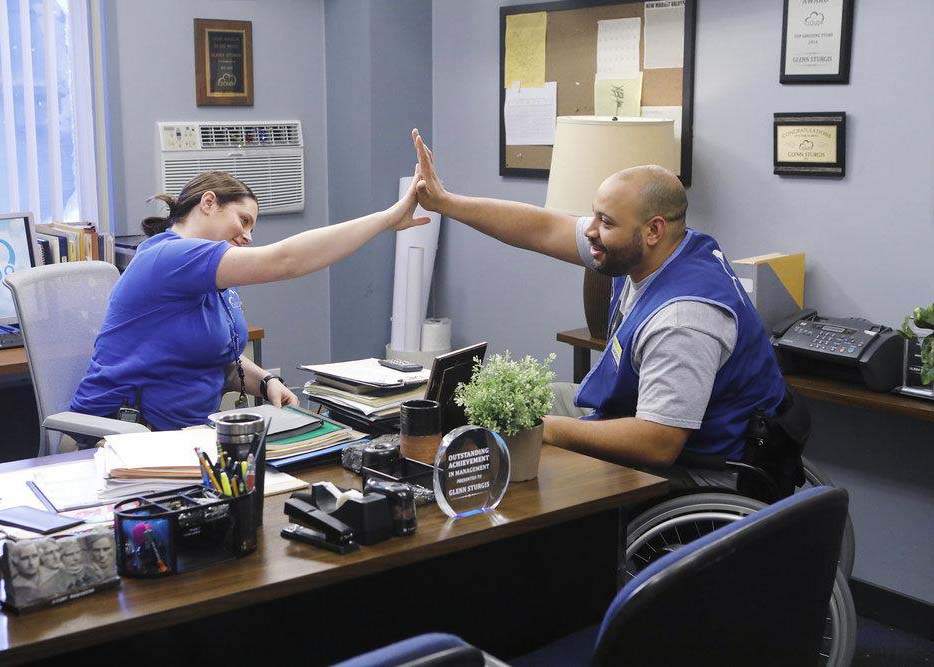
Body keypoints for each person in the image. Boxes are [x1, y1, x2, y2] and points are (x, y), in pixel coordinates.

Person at [410, 129, 787, 488]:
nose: (590, 229)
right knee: (496, 406)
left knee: (520, 437)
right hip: (634, 415)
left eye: (605, 221)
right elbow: (540, 229)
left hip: (695, 469)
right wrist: (445, 203)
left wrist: (546, 428)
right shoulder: (659, 250)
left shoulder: (682, 320)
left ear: (653, 230)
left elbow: (658, 443)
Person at [72, 170, 428, 432]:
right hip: (122, 436)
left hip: (186, 438)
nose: (248, 236)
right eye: (243, 221)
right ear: (208, 202)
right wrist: (385, 220)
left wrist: (266, 382)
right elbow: (284, 260)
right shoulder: (170, 258)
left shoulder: (212, 281)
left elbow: (212, 358)